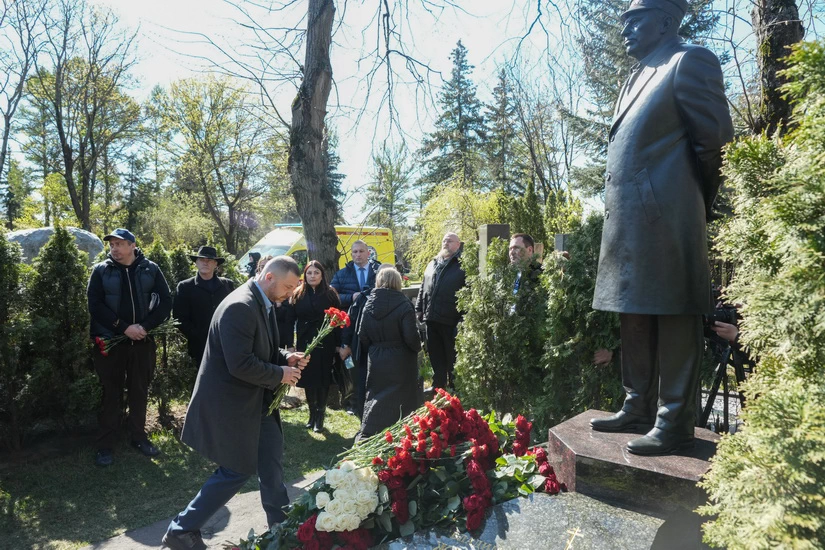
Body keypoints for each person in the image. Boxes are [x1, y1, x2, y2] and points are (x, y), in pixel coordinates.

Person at [590, 0, 734, 455]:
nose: (625, 30)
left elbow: (716, 143)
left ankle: (674, 421)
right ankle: (637, 405)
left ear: (667, 21)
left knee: (674, 313)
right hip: (629, 221)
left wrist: (689, 203)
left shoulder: (689, 61)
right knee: (634, 311)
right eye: (624, 22)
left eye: (636, 20)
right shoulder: (635, 75)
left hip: (670, 216)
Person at [163, 257, 309, 550]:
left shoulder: (263, 302)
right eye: (287, 287)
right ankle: (181, 530)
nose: (289, 294)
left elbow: (261, 349)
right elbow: (240, 364)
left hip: (256, 403)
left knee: (271, 462)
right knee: (236, 470)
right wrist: (280, 373)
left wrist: (285, 357)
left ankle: (281, 530)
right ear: (269, 277)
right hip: (232, 406)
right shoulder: (240, 306)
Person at [87, 228, 172, 467]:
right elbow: (95, 305)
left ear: (132, 245)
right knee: (111, 392)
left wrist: (144, 327)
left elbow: (165, 302)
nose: (114, 248)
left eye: (119, 244)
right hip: (111, 342)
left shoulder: (151, 269)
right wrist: (124, 328)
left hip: (142, 341)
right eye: (112, 245)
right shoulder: (101, 271)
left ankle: (139, 437)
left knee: (139, 390)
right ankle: (105, 444)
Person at [357, 266, 421, 441]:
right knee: (402, 398)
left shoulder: (368, 304)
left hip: (376, 358)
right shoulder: (404, 304)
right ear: (398, 282)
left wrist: (375, 348)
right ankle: (402, 435)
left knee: (375, 395)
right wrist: (418, 348)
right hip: (401, 359)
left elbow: (362, 335)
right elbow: (411, 337)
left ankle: (370, 432)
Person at [331, 240, 380, 416]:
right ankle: (353, 402)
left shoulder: (378, 271)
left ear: (368, 253)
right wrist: (351, 297)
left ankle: (373, 399)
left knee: (372, 363)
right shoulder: (342, 274)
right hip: (349, 328)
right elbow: (332, 296)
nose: (358, 255)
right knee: (352, 366)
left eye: (361, 251)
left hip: (373, 325)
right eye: (355, 252)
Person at [292, 260, 341, 432]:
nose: (312, 276)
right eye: (309, 273)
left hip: (325, 341)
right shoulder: (298, 293)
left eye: (316, 273)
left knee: (322, 377)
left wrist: (338, 345)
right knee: (308, 377)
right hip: (305, 341)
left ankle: (320, 414)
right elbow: (291, 319)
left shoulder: (330, 294)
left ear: (322, 275)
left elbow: (337, 320)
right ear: (305, 275)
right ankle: (312, 413)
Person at [415, 232, 466, 389]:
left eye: (450, 241)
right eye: (444, 240)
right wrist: (419, 308)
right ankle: (438, 390)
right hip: (431, 319)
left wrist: (462, 320)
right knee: (436, 359)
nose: (446, 243)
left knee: (452, 361)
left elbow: (468, 292)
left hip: (451, 321)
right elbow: (423, 287)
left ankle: (455, 391)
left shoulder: (462, 264)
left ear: (458, 244)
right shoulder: (433, 263)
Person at [173, 246, 236, 367]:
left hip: (226, 345)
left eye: (209, 260)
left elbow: (234, 313)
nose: (205, 263)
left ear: (216, 264)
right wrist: (199, 335)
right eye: (202, 259)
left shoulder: (227, 285)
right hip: (199, 347)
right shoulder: (185, 287)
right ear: (196, 262)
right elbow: (179, 319)